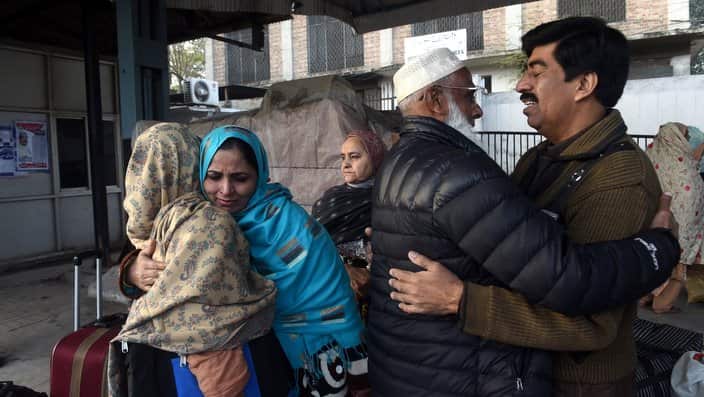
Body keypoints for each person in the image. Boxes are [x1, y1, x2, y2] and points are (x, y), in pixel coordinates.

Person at [369, 32, 679, 397]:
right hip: (518, 369)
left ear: (583, 84)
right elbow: (508, 256)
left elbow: (592, 321)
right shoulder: (535, 161)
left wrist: (462, 299)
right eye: (471, 96)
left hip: (580, 382)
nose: (520, 85)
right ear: (435, 100)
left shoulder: (619, 174)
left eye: (536, 72)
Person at [196, 126, 368, 397]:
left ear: (260, 175)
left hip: (319, 349)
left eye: (240, 178)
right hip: (252, 357)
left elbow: (331, 295)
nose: (226, 190)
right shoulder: (198, 222)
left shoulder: (290, 223)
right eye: (214, 177)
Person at [109, 122, 277, 397]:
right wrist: (131, 272)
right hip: (157, 358)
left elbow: (212, 300)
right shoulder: (149, 222)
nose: (144, 181)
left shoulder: (210, 221)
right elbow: (132, 270)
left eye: (151, 168)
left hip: (202, 368)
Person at [312, 130, 386, 308]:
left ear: (375, 159)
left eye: (354, 157)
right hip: (331, 280)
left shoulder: (386, 197)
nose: (346, 164)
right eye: (343, 157)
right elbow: (313, 242)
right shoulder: (332, 197)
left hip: (376, 286)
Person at [643, 122, 704, 313]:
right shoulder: (685, 166)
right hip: (681, 229)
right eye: (685, 137)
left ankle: (645, 297)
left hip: (651, 230)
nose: (687, 140)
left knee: (652, 262)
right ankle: (661, 305)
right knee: (678, 270)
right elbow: (692, 199)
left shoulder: (649, 159)